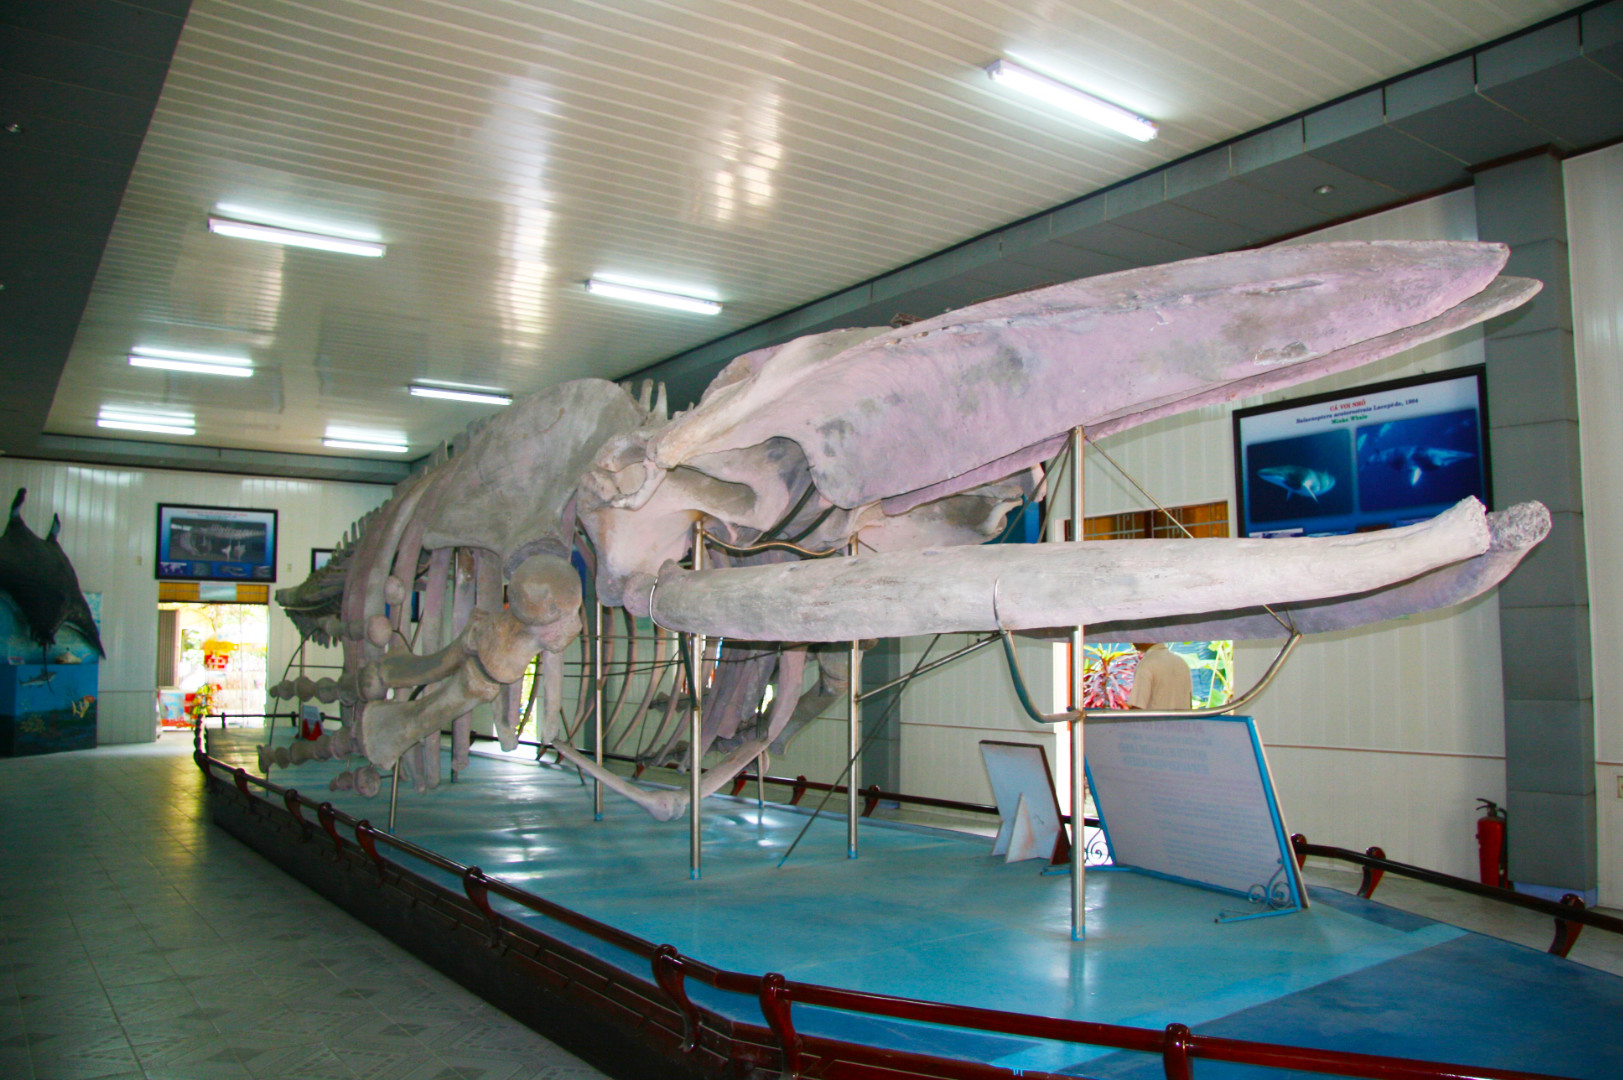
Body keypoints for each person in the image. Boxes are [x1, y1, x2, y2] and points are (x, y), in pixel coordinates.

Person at [1126, 642, 1193, 710]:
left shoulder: (1147, 663)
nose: (1131, 642)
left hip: (1155, 716)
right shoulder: (1181, 662)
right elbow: (1189, 703)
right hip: (1181, 717)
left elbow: (1138, 707)